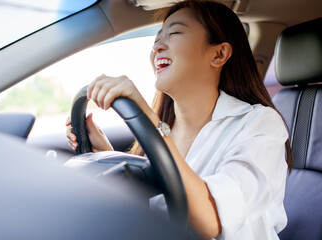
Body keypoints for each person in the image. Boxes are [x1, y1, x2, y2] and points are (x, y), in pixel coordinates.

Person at [66, 1, 292, 239]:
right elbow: (151, 210)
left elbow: (211, 218)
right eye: (155, 41)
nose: (157, 48)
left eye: (174, 33)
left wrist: (147, 118)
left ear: (219, 54)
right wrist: (107, 156)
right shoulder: (164, 130)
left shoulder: (260, 124)